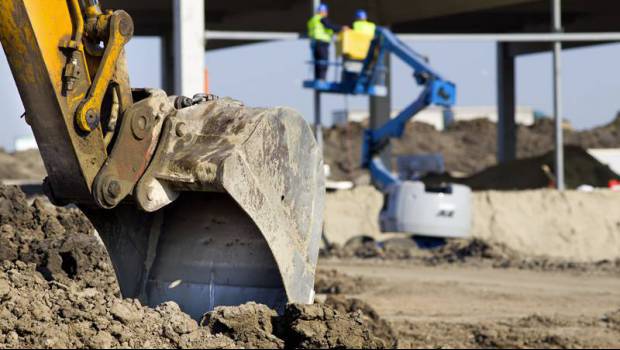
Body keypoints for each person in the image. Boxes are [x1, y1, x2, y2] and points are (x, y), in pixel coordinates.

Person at [307, 4, 346, 81]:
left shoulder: (312, 20)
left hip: (315, 43)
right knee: (323, 61)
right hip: (322, 42)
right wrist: (341, 28)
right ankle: (322, 79)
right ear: (323, 11)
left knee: (317, 63)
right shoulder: (322, 19)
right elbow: (329, 26)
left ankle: (318, 78)